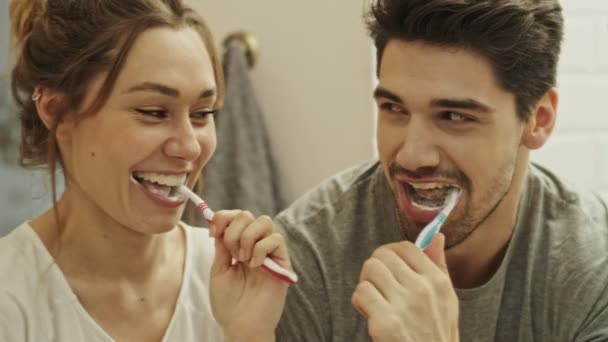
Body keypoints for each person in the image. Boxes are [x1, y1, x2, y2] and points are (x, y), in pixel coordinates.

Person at [274, 0, 608, 341]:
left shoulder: (596, 265)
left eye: (453, 116)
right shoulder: (308, 253)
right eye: (394, 108)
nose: (412, 155)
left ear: (539, 120)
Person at [0, 1, 291, 341]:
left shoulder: (237, 280)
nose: (191, 147)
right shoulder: (10, 296)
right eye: (153, 112)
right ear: (59, 111)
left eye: (202, 113)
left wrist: (249, 331)